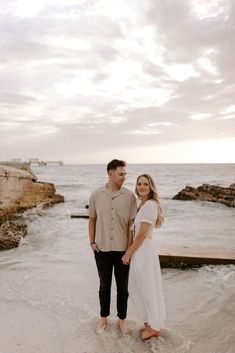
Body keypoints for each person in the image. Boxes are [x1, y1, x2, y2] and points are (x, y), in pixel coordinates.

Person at [88, 159, 137, 334]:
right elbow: (92, 219)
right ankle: (103, 319)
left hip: (123, 251)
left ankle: (121, 320)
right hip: (101, 249)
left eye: (125, 173)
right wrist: (92, 242)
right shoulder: (96, 194)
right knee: (104, 287)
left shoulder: (130, 196)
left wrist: (129, 250)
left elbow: (132, 225)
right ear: (110, 173)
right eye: (121, 173)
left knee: (123, 288)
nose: (124, 176)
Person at [121, 174, 166, 340]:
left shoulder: (150, 206)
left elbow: (141, 235)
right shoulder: (143, 204)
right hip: (141, 251)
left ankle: (153, 327)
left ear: (151, 186)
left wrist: (128, 253)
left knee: (144, 288)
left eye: (145, 184)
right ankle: (149, 324)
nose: (141, 187)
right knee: (140, 287)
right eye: (139, 184)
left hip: (143, 251)